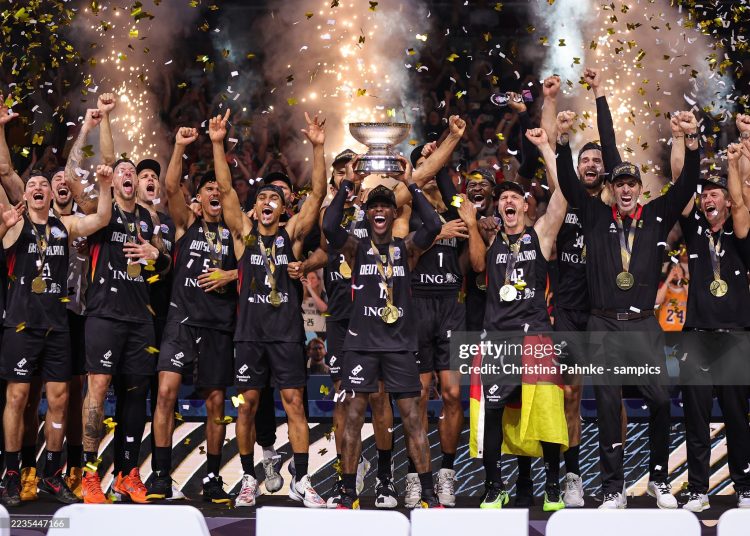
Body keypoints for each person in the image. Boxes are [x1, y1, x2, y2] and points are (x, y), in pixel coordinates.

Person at [555, 107, 700, 509]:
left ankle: (658, 478)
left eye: (631, 183)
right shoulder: (593, 214)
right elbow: (568, 182)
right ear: (611, 187)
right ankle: (612, 487)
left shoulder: (656, 215)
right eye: (618, 183)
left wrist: (692, 142)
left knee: (659, 398)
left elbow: (687, 183)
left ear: (639, 188)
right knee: (605, 403)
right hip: (601, 324)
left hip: (642, 325)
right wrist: (563, 141)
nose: (624, 189)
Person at [214, 109, 327, 507]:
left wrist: (317, 147)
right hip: (249, 336)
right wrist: (216, 143)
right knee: (247, 406)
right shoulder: (243, 237)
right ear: (254, 207)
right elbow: (227, 192)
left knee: (295, 404)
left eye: (273, 198)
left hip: (285, 335)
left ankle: (302, 479)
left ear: (282, 210)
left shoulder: (292, 237)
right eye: (261, 197)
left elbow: (316, 195)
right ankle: (248, 478)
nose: (266, 201)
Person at [322, 156, 443, 510]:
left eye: (385, 206)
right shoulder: (356, 249)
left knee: (412, 419)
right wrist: (347, 182)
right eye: (373, 206)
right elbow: (330, 227)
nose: (379, 210)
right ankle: (347, 491)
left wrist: (411, 183)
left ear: (393, 215)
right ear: (368, 214)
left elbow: (433, 224)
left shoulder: (406, 250)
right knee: (354, 417)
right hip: (360, 347)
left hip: (399, 347)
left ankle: (428, 494)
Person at [458, 127, 569, 511]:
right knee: (491, 414)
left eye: (513, 197)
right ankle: (494, 486)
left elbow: (562, 195)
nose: (507, 200)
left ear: (524, 206)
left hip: (535, 337)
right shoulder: (490, 241)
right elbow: (475, 267)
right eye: (502, 197)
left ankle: (552, 484)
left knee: (546, 411)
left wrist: (544, 147)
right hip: (496, 341)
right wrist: (472, 225)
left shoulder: (540, 235)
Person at [0, 164, 114, 506]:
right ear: (26, 194)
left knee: (61, 400)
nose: (37, 187)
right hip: (21, 324)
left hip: (57, 326)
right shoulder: (14, 224)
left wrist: (105, 186)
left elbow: (101, 220)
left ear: (50, 195)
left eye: (43, 184)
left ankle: (51, 474)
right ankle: (11, 475)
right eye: (32, 183)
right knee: (18, 399)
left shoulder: (63, 226)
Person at [294, 149, 396, 508]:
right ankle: (345, 477)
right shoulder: (330, 213)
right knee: (344, 400)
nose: (346, 174)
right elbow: (327, 251)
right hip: (339, 316)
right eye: (340, 170)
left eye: (353, 169)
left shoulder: (379, 209)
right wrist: (307, 263)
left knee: (380, 397)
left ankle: (385, 480)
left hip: (373, 314)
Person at [146, 126, 238, 504]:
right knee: (165, 394)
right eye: (208, 189)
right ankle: (161, 475)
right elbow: (170, 188)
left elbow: (256, 267)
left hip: (218, 326)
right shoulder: (186, 223)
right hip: (179, 323)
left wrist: (230, 273)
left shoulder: (236, 231)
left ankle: (213, 477)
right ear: (197, 200)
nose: (215, 192)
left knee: (217, 403)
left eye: (220, 188)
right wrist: (180, 146)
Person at [80, 157, 172, 504]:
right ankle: (89, 474)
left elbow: (164, 267)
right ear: (114, 181)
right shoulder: (102, 207)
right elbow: (86, 195)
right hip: (104, 313)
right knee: (98, 389)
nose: (128, 174)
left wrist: (154, 254)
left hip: (140, 316)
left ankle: (127, 475)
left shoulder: (150, 219)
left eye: (131, 171)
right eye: (122, 171)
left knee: (136, 395)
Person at [676, 141, 750, 511]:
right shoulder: (694, 232)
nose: (707, 198)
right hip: (697, 338)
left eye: (714, 193)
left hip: (735, 337)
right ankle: (698, 490)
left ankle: (745, 487)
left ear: (725, 200)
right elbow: (678, 179)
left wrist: (735, 163)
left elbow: (741, 204)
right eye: (704, 194)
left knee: (737, 418)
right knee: (696, 420)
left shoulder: (740, 236)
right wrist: (682, 143)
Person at [408, 114, 468, 507]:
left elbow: (474, 258)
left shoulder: (455, 211)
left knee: (451, 394)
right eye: (424, 169)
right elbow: (406, 254)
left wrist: (447, 146)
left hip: (450, 307)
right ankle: (417, 476)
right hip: (415, 305)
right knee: (417, 395)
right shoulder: (403, 211)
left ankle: (446, 472)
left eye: (436, 170)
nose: (431, 176)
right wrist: (435, 235)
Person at [656, 263, 688, 333]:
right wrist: (668, 279)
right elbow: (658, 300)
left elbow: (694, 299)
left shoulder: (687, 289)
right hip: (665, 333)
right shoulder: (664, 289)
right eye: (673, 270)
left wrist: (681, 278)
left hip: (684, 334)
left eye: (679, 270)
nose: (676, 272)